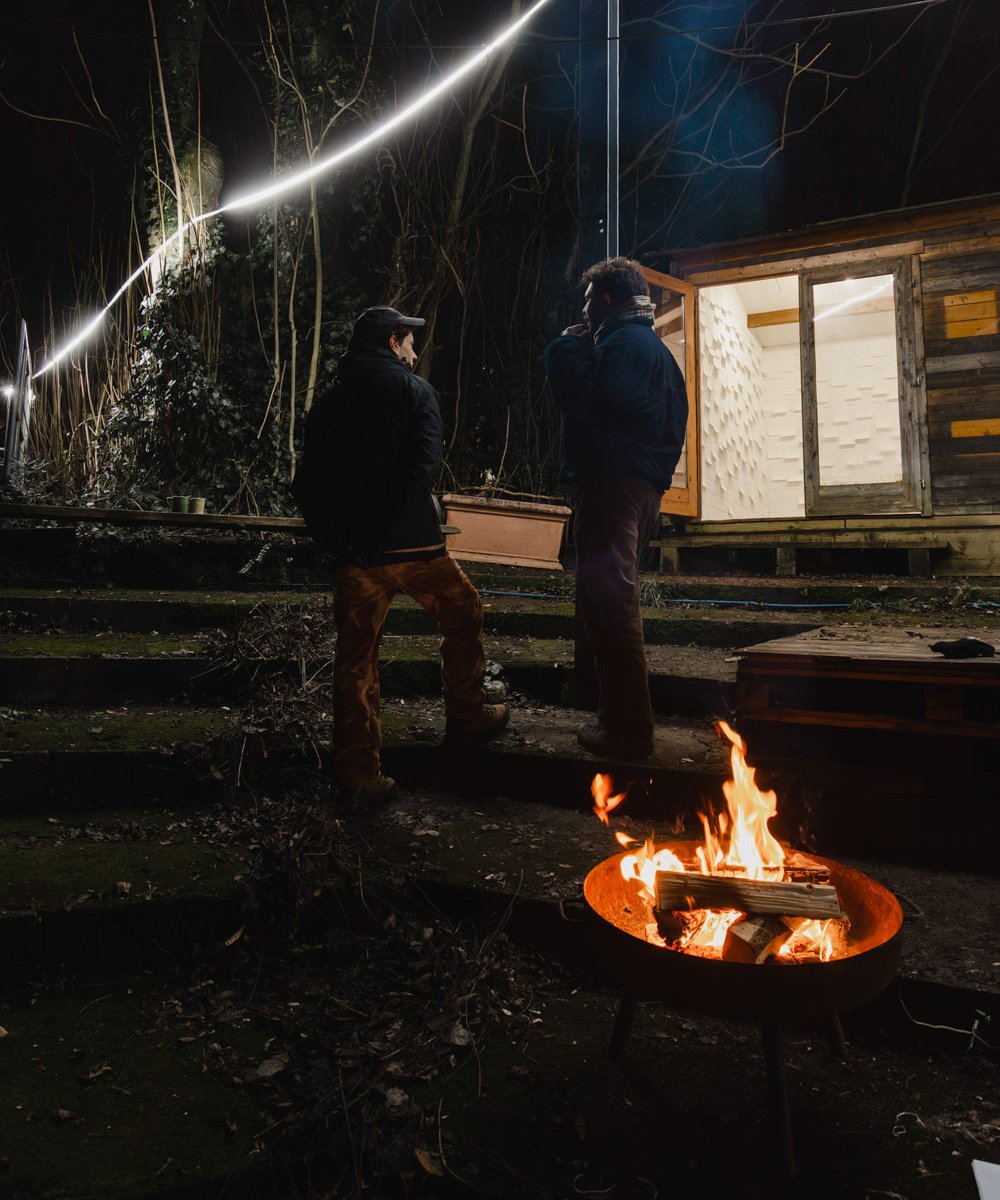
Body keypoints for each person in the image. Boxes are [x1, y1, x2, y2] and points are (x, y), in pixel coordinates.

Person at [294, 305, 509, 804]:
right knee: (464, 611)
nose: (414, 349)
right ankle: (465, 715)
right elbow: (421, 472)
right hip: (412, 547)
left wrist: (340, 540)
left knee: (355, 661)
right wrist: (385, 534)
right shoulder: (415, 391)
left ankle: (358, 777)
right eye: (409, 341)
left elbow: (306, 484)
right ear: (393, 343)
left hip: (354, 555)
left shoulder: (328, 404)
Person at [544, 258, 688, 760]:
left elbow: (587, 401)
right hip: (639, 487)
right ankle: (620, 721)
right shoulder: (657, 352)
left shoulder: (624, 344)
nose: (583, 311)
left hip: (614, 485)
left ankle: (627, 732)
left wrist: (566, 344)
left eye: (588, 301)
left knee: (611, 606)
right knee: (613, 602)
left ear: (605, 300)